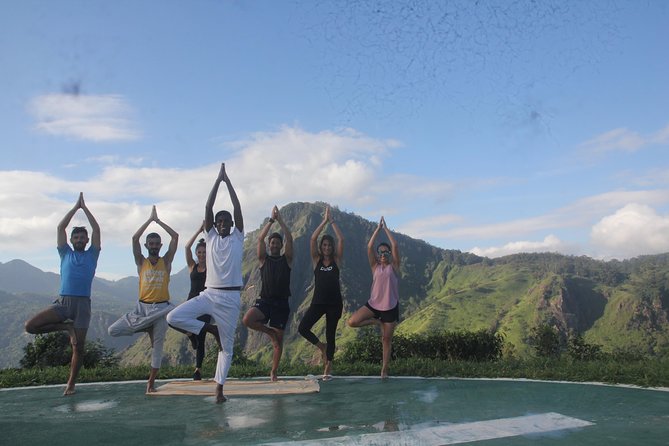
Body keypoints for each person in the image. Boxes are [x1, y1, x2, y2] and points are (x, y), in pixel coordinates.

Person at [167, 163, 244, 403]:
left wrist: (228, 182)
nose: (221, 223)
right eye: (218, 221)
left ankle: (219, 389)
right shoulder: (209, 238)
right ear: (214, 225)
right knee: (172, 318)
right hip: (209, 295)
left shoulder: (238, 238)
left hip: (230, 299)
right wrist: (217, 180)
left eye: (225, 221)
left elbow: (238, 207)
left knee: (227, 348)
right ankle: (208, 329)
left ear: (231, 225)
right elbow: (208, 206)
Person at [25, 193, 101, 396]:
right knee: (30, 326)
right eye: (75, 237)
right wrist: (76, 208)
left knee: (78, 347)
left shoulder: (92, 254)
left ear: (86, 240)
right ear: (71, 240)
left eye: (82, 237)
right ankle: (66, 327)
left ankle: (71, 385)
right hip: (63, 302)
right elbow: (60, 228)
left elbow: (97, 230)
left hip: (83, 305)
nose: (79, 239)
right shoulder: (65, 252)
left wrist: (86, 210)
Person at [108, 205, 178, 394]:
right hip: (142, 310)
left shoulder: (167, 262)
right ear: (147, 246)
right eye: (151, 244)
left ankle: (151, 382)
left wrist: (159, 221)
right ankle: (144, 326)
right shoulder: (141, 262)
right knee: (112, 330)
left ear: (160, 246)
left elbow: (175, 237)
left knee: (158, 347)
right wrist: (149, 220)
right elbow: (134, 239)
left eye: (157, 244)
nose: (154, 246)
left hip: (161, 309)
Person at [242, 205, 293, 381]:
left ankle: (274, 371)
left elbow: (290, 238)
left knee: (279, 342)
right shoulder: (264, 260)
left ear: (280, 246)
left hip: (281, 304)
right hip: (265, 301)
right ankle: (268, 332)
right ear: (270, 245)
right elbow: (259, 239)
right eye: (272, 242)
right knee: (248, 319)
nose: (275, 244)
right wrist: (271, 220)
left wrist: (281, 221)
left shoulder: (287, 260)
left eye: (277, 243)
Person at [347, 216, 400, 379]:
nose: (383, 253)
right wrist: (377, 229)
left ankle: (384, 369)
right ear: (377, 255)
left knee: (386, 339)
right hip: (374, 305)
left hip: (390, 307)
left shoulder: (394, 267)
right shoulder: (374, 266)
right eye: (381, 252)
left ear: (390, 254)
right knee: (352, 321)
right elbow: (369, 246)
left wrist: (386, 229)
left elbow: (395, 245)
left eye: (386, 251)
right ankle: (375, 322)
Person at [298, 205, 344, 379]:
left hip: (334, 303)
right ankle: (321, 346)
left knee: (330, 335)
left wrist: (332, 222)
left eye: (329, 245)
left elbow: (342, 239)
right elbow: (312, 239)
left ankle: (328, 367)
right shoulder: (316, 260)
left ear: (332, 247)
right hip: (318, 302)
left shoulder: (337, 261)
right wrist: (323, 221)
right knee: (303, 328)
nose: (326, 248)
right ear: (321, 247)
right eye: (324, 245)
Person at [183, 222, 210, 380]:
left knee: (202, 337)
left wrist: (208, 237)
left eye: (204, 252)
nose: (201, 255)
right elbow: (186, 248)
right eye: (199, 252)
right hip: (191, 303)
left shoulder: (212, 267)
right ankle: (189, 334)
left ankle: (198, 369)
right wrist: (199, 230)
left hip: (205, 304)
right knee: (174, 320)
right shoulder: (192, 266)